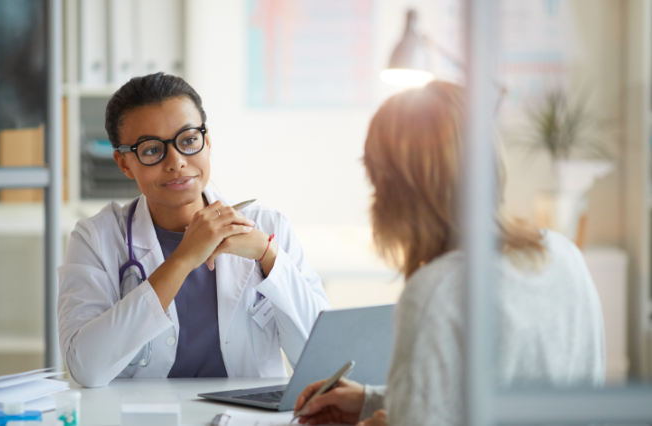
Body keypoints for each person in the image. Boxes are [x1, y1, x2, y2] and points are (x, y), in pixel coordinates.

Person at [294, 81, 605, 426]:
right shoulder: (563, 255)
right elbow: (484, 402)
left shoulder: (438, 291)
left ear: (394, 190)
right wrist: (370, 401)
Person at [57, 72, 330, 388]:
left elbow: (324, 363)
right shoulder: (97, 238)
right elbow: (86, 369)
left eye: (188, 141)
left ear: (207, 141)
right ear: (124, 163)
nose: (176, 162)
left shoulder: (269, 227)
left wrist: (268, 256)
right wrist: (183, 259)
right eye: (150, 150)